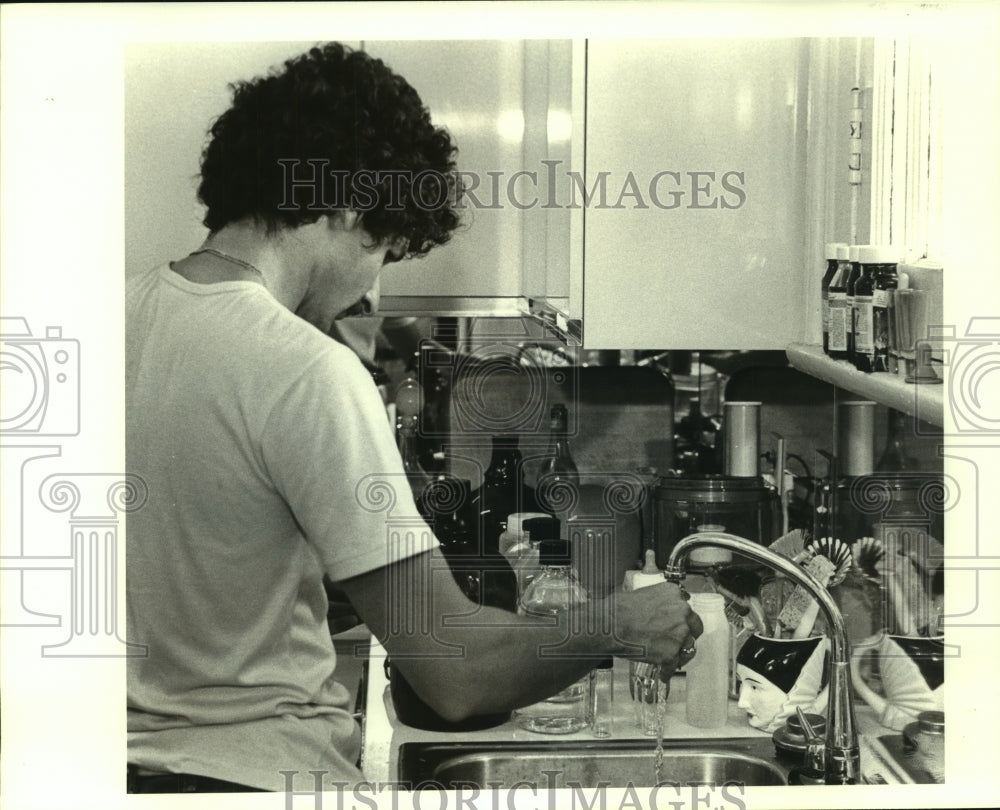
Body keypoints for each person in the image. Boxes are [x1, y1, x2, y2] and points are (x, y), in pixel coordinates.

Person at [125, 41, 701, 794]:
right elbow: (453, 668)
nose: (370, 290)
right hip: (254, 778)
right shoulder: (305, 369)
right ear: (351, 205)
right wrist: (619, 623)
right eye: (386, 251)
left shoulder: (99, 316)